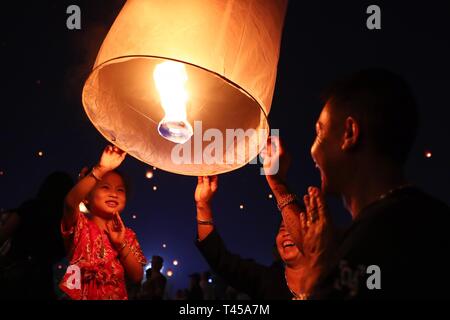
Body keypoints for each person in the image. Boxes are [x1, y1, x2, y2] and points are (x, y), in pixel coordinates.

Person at [264, 68, 450, 299]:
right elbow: (318, 244)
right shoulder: (424, 221)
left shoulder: (371, 246)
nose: (313, 151)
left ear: (349, 133)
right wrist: (276, 181)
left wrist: (317, 278)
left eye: (320, 133)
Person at [194, 175, 310, 300]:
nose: (286, 233)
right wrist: (203, 206)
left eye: (292, 227)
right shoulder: (266, 280)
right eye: (282, 229)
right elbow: (220, 259)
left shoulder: (330, 283)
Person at [59, 145, 147, 300]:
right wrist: (100, 169)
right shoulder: (80, 226)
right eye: (105, 187)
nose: (113, 194)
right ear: (86, 197)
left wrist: (121, 245)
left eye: (120, 190)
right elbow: (70, 203)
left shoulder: (128, 235)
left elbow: (137, 276)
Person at [0, 172, 74, 299]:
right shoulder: (63, 221)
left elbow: (3, 234)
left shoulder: (30, 207)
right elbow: (65, 252)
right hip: (42, 280)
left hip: (15, 272)